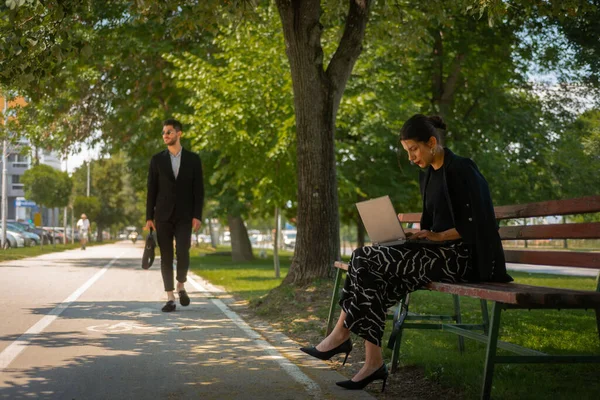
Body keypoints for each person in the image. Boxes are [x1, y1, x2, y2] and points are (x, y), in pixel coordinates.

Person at [300, 114, 512, 392]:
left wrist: (438, 236)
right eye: (407, 151)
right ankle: (371, 361)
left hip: (463, 259)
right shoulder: (428, 176)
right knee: (369, 268)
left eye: (414, 149)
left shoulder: (463, 169)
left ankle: (342, 335)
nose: (411, 157)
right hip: (437, 254)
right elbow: (431, 224)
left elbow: (481, 222)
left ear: (432, 142)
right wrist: (412, 236)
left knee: (365, 260)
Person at [145, 118, 204, 312]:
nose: (165, 135)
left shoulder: (193, 159)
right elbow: (151, 189)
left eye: (169, 132)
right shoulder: (157, 160)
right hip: (162, 215)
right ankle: (170, 297)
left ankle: (181, 285)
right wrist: (149, 217)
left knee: (184, 252)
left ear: (179, 133)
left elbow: (199, 190)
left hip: (185, 215)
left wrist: (198, 215)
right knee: (166, 256)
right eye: (163, 133)